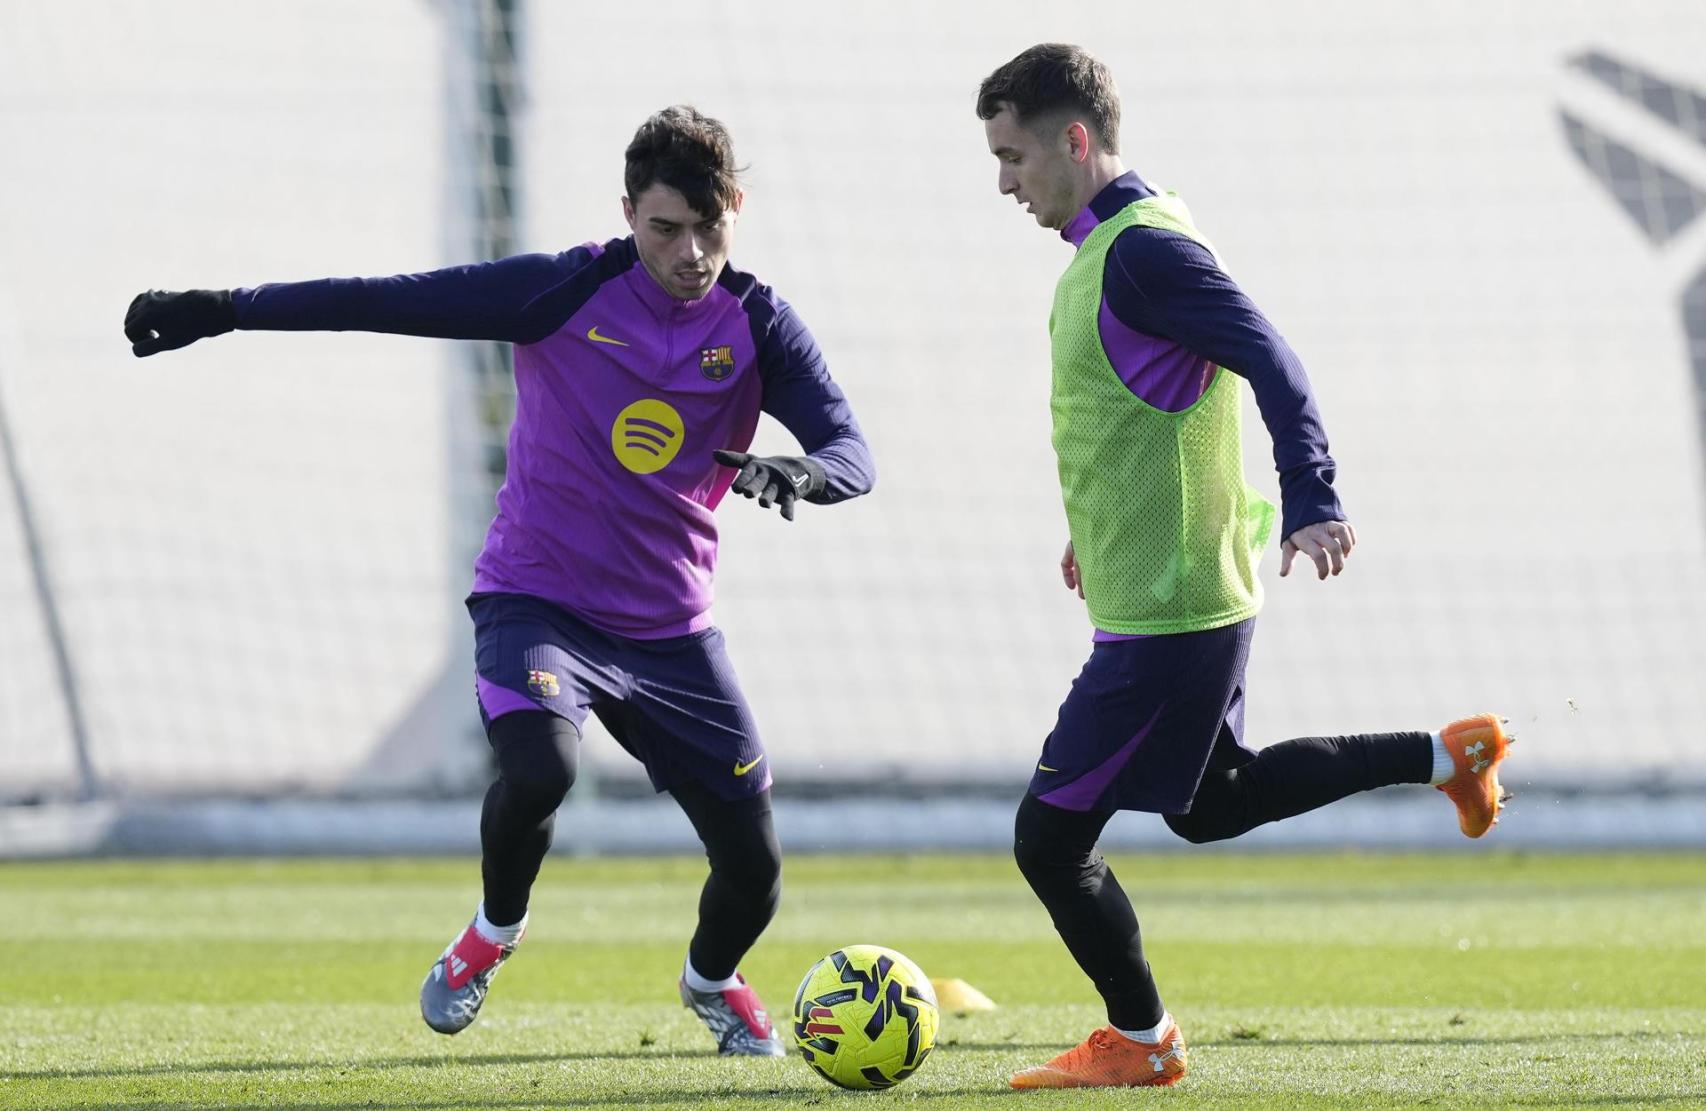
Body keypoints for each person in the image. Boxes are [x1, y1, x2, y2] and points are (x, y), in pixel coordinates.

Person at [123, 105, 875, 1056]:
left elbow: (852, 449)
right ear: (628, 214)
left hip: (672, 631)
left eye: (709, 228)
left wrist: (806, 473)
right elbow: (389, 297)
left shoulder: (759, 323)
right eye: (664, 229)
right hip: (538, 599)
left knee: (755, 867)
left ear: (736, 210)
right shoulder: (561, 290)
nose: (690, 252)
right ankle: (492, 931)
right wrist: (226, 307)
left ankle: (712, 979)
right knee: (541, 768)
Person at [974, 45, 1513, 1089]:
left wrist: (1312, 494)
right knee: (1207, 802)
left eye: (1011, 156)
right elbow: (1142, 411)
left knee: (1047, 839)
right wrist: (1095, 527)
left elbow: (1271, 358)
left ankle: (1140, 1038)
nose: (1002, 182)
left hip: (1171, 616)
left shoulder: (1142, 253)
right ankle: (1448, 754)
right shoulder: (1112, 249)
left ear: (1072, 141)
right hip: (1169, 595)